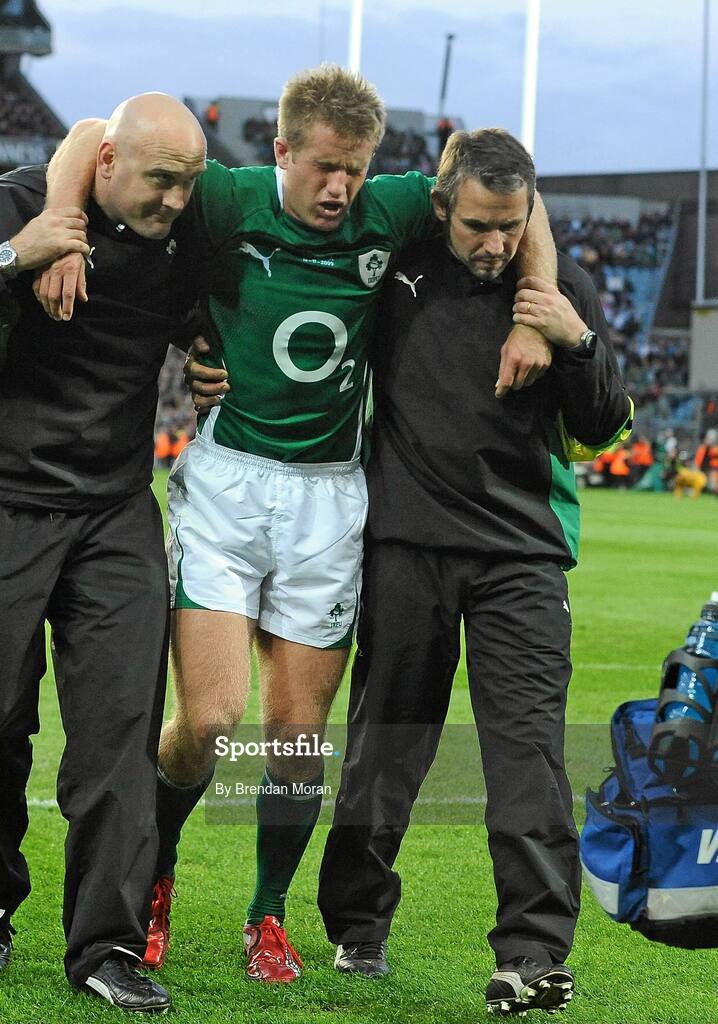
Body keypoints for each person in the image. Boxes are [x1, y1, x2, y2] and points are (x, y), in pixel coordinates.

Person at [41, 64, 557, 983]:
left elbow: (524, 194)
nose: (339, 189)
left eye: (356, 169)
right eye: (323, 166)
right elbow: (90, 135)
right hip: (230, 487)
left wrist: (536, 312)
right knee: (209, 722)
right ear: (280, 151)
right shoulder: (229, 198)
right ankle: (154, 879)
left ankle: (266, 917)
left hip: (332, 497)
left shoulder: (392, 209)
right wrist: (61, 228)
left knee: (294, 738)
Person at [0, 92, 207, 1014]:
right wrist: (24, 254)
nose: (178, 200)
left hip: (113, 512)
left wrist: (210, 348)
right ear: (105, 162)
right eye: (161, 179)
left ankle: (105, 943)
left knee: (119, 733)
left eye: (191, 181)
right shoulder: (12, 206)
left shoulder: (185, 229)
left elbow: (197, 312)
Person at [314, 129, 632, 1016]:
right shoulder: (400, 260)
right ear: (444, 204)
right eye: (477, 226)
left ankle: (532, 955)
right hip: (406, 544)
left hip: (523, 555)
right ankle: (357, 925)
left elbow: (604, 425)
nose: (494, 244)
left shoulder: (560, 289)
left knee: (527, 751)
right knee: (387, 748)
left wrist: (571, 338)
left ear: (531, 216)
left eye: (511, 226)